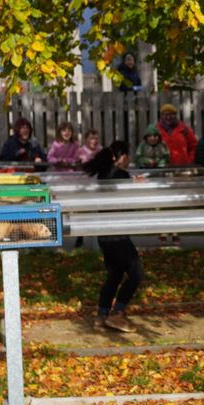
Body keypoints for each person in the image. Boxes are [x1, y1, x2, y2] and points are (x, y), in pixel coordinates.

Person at [85, 141, 142, 333]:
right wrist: (138, 185)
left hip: (105, 234)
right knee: (136, 272)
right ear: (123, 156)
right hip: (117, 235)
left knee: (115, 275)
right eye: (128, 156)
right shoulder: (121, 175)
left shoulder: (104, 174)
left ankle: (101, 317)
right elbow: (130, 202)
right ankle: (118, 314)